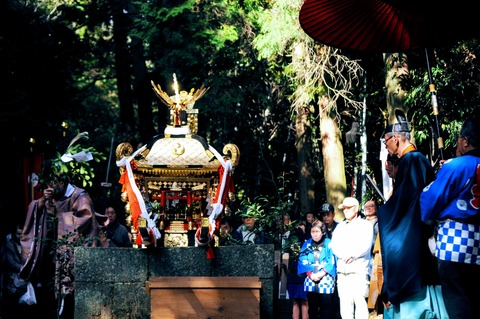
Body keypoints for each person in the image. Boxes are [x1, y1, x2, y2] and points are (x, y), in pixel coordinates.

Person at [377, 110, 438, 317]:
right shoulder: (413, 160)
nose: (387, 147)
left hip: (417, 232)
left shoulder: (412, 160)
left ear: (395, 138)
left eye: (386, 143)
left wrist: (387, 211)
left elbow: (410, 201)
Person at [420, 116, 480, 319]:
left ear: (465, 141)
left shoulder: (456, 166)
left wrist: (445, 172)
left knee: (458, 303)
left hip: (456, 241)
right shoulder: (458, 165)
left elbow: (430, 199)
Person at [19, 172, 99, 319]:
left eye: (54, 183)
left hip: (68, 257)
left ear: (63, 182)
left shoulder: (79, 196)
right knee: (46, 300)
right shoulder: (50, 199)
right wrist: (43, 201)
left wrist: (61, 216)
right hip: (48, 258)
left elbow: (84, 220)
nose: (51, 186)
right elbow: (35, 211)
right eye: (49, 183)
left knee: (68, 300)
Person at [330, 197, 373, 319]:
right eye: (344, 208)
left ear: (356, 209)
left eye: (348, 208)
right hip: (342, 271)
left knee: (360, 302)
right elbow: (334, 245)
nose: (345, 211)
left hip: (358, 270)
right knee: (344, 304)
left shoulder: (366, 225)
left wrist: (352, 255)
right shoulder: (340, 226)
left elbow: (366, 245)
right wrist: (342, 255)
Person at [367, 154, 399, 316]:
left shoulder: (404, 187)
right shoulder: (397, 188)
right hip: (385, 249)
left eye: (389, 164)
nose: (386, 167)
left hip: (396, 248)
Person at [298, 220, 337, 319]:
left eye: (317, 232)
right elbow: (303, 259)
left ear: (322, 231)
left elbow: (331, 260)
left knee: (326, 307)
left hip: (325, 278)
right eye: (313, 232)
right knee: (312, 307)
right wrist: (310, 274)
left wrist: (321, 273)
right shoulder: (307, 244)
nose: (315, 235)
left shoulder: (329, 243)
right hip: (311, 278)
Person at [281, 213, 308, 319]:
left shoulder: (307, 242)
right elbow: (285, 253)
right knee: (296, 301)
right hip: (293, 272)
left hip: (303, 273)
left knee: (304, 301)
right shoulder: (289, 242)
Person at [319, 202, 341, 318]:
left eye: (328, 214)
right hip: (324, 268)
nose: (325, 217)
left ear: (333, 214)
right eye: (323, 215)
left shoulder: (340, 227)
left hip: (338, 267)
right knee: (324, 300)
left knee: (337, 298)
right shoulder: (319, 229)